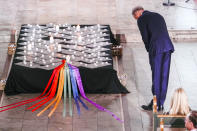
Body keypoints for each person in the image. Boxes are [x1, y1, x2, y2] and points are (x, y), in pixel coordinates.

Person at [132, 6, 174, 111]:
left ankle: (155, 104)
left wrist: (149, 49)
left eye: (135, 17)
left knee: (156, 76)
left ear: (137, 13)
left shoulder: (141, 19)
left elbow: (145, 37)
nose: (136, 19)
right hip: (168, 47)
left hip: (156, 49)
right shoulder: (158, 15)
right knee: (164, 77)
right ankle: (160, 104)